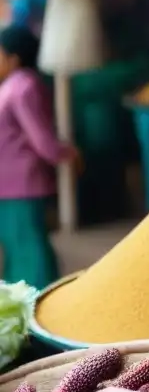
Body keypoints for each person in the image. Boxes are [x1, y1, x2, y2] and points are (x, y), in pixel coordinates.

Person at [0, 25, 78, 288]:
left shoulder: (23, 88)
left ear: (14, 58)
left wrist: (67, 153)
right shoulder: (13, 86)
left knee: (29, 248)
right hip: (9, 186)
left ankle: (40, 303)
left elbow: (42, 140)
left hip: (21, 185)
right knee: (18, 245)